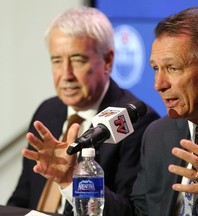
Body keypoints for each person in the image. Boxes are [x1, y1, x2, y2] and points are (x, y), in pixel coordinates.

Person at [20, 6, 198, 216]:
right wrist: (71, 180)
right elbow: (136, 213)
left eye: (173, 68)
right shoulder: (158, 133)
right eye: (155, 68)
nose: (158, 84)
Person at [6, 6, 159, 215]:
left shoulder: (135, 122)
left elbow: (131, 211)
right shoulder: (47, 111)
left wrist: (72, 181)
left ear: (107, 61)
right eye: (57, 60)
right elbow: (22, 198)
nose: (66, 74)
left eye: (78, 60)